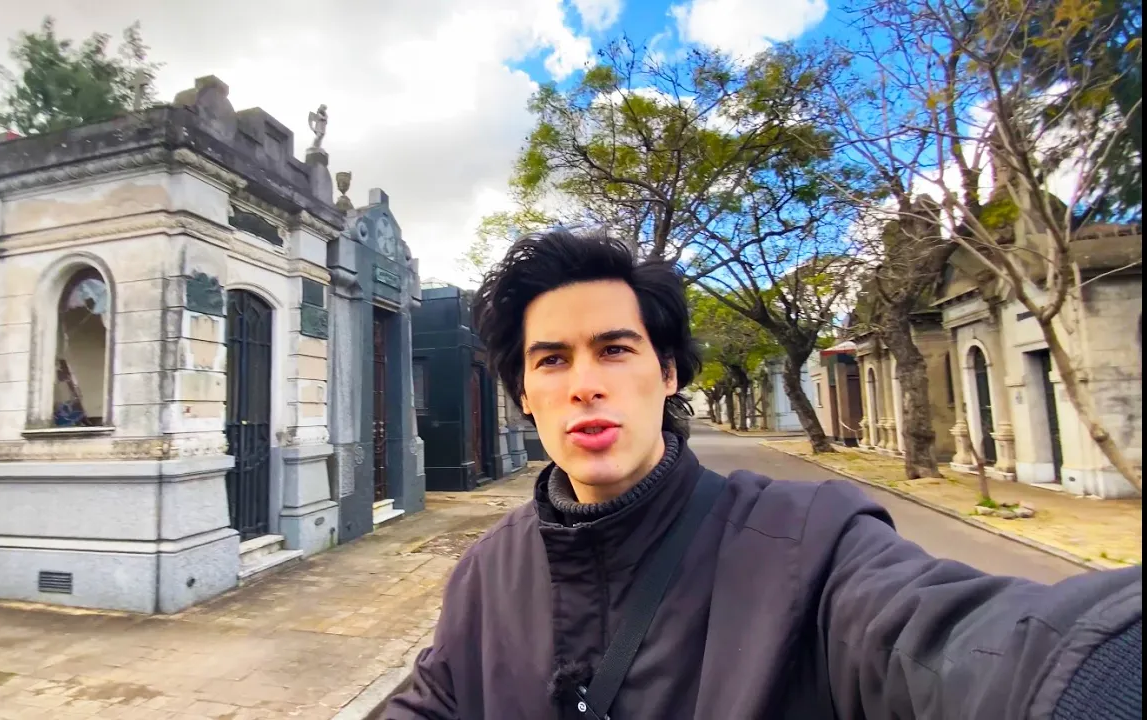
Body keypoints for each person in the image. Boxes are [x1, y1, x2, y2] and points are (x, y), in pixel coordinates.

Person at [385, 229, 1143, 719]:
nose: (585, 385)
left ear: (668, 373)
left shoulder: (812, 546)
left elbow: (972, 648)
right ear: (524, 394)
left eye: (614, 350)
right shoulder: (489, 572)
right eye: (552, 360)